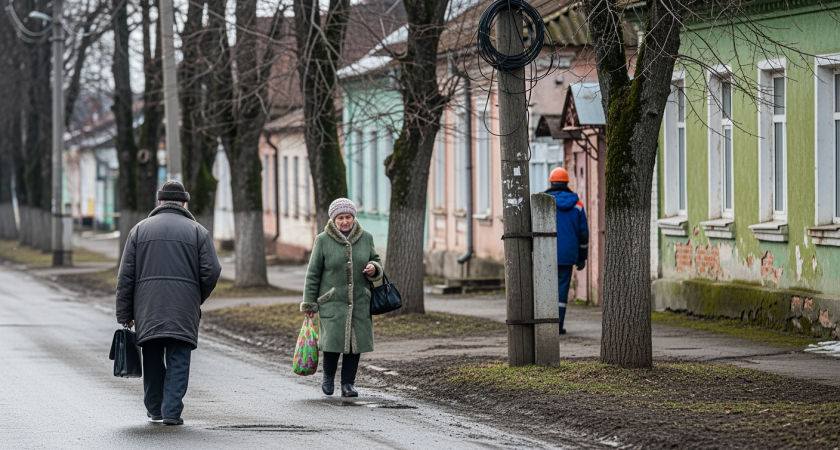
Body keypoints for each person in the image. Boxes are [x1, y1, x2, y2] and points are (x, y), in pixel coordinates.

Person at [115, 181, 221, 425]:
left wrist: (125, 313)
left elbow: (126, 276)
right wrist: (196, 296)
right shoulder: (199, 232)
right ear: (184, 203)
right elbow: (211, 271)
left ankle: (155, 409)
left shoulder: (139, 231)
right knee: (179, 357)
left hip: (147, 308)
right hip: (183, 308)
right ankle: (172, 412)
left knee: (152, 355)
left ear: (159, 202)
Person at [301, 198, 383, 398]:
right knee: (332, 344)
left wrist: (374, 268)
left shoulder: (366, 238)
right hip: (332, 301)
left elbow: (376, 260)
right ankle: (328, 378)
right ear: (333, 219)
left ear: (353, 218)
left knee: (355, 347)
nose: (345, 221)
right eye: (340, 218)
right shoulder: (322, 240)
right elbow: (313, 273)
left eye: (348, 217)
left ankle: (348, 384)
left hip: (359, 301)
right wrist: (310, 303)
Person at [544, 167, 589, 335]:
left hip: (545, 253)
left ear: (551, 182)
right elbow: (583, 233)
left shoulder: (543, 201)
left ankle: (544, 324)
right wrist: (582, 257)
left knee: (545, 288)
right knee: (562, 289)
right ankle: (558, 325)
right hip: (568, 254)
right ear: (567, 183)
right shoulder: (577, 204)